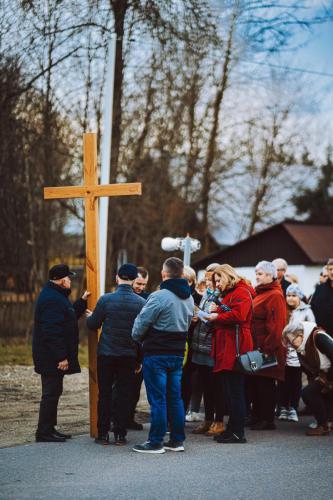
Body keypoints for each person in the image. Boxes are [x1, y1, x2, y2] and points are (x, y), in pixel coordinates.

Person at [132, 257, 194, 454]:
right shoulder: (189, 298)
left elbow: (139, 326)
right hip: (177, 354)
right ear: (182, 274)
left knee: (158, 399)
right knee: (175, 398)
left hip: (157, 352)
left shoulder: (159, 296)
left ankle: (156, 441)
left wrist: (138, 336)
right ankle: (177, 440)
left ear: (164, 274)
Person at [87, 263, 145, 445]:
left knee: (104, 393)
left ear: (117, 278)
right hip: (128, 354)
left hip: (106, 353)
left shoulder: (106, 300)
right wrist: (139, 359)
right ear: (135, 280)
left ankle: (103, 433)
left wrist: (91, 317)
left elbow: (93, 325)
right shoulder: (141, 303)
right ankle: (120, 434)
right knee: (124, 394)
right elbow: (142, 333)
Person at [32, 264, 89, 443]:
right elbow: (51, 330)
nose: (70, 280)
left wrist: (82, 301)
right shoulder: (52, 299)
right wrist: (61, 357)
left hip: (50, 356)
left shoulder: (56, 296)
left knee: (54, 391)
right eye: (69, 278)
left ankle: (49, 428)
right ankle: (43, 432)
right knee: (50, 393)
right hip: (51, 357)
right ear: (61, 279)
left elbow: (69, 316)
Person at [206, 264, 255, 444]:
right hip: (228, 345)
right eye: (215, 281)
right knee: (229, 390)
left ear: (228, 276)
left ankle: (237, 432)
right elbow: (230, 313)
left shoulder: (241, 292)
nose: (217, 284)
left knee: (235, 391)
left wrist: (215, 316)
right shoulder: (230, 294)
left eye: (219, 280)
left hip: (235, 346)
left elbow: (239, 316)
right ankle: (232, 429)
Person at [248, 261, 287, 430]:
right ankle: (257, 416)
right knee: (256, 382)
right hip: (256, 348)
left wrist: (267, 349)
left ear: (271, 276)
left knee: (266, 384)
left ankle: (267, 419)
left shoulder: (275, 295)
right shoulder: (260, 293)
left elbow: (276, 326)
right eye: (256, 273)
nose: (257, 276)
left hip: (267, 348)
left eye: (261, 274)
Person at [191, 263, 225, 436]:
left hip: (212, 346)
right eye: (205, 279)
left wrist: (206, 316)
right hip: (199, 346)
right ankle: (208, 419)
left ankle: (219, 421)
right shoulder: (206, 293)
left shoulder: (222, 294)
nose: (208, 282)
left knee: (216, 386)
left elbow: (220, 318)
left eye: (211, 279)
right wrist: (197, 316)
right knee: (205, 386)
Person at [282, 321, 333, 436]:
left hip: (329, 374)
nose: (291, 344)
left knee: (309, 393)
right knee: (312, 391)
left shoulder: (318, 337)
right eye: (289, 342)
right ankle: (326, 421)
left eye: (292, 340)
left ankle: (323, 425)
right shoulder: (303, 346)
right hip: (325, 375)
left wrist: (328, 380)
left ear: (301, 335)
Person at [278, 284, 315, 423]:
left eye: (294, 296)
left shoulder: (306, 311)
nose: (290, 299)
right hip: (284, 351)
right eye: (288, 295)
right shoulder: (284, 310)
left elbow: (311, 329)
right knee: (283, 381)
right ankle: (283, 406)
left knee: (295, 381)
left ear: (299, 296)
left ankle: (293, 407)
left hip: (298, 352)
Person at [128, 266, 150, 431]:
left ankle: (129, 417)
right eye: (138, 283)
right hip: (125, 347)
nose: (141, 288)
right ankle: (117, 418)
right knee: (121, 387)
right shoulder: (124, 296)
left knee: (135, 388)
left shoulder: (148, 299)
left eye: (144, 284)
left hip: (142, 349)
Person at [181, 265, 204, 422]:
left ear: (192, 282)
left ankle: (182, 411)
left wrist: (195, 321)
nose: (184, 283)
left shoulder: (198, 299)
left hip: (192, 343)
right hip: (177, 341)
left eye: (187, 281)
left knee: (186, 380)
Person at [310, 258, 333, 337]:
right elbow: (313, 308)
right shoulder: (320, 288)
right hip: (322, 333)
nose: (332, 272)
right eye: (330, 269)